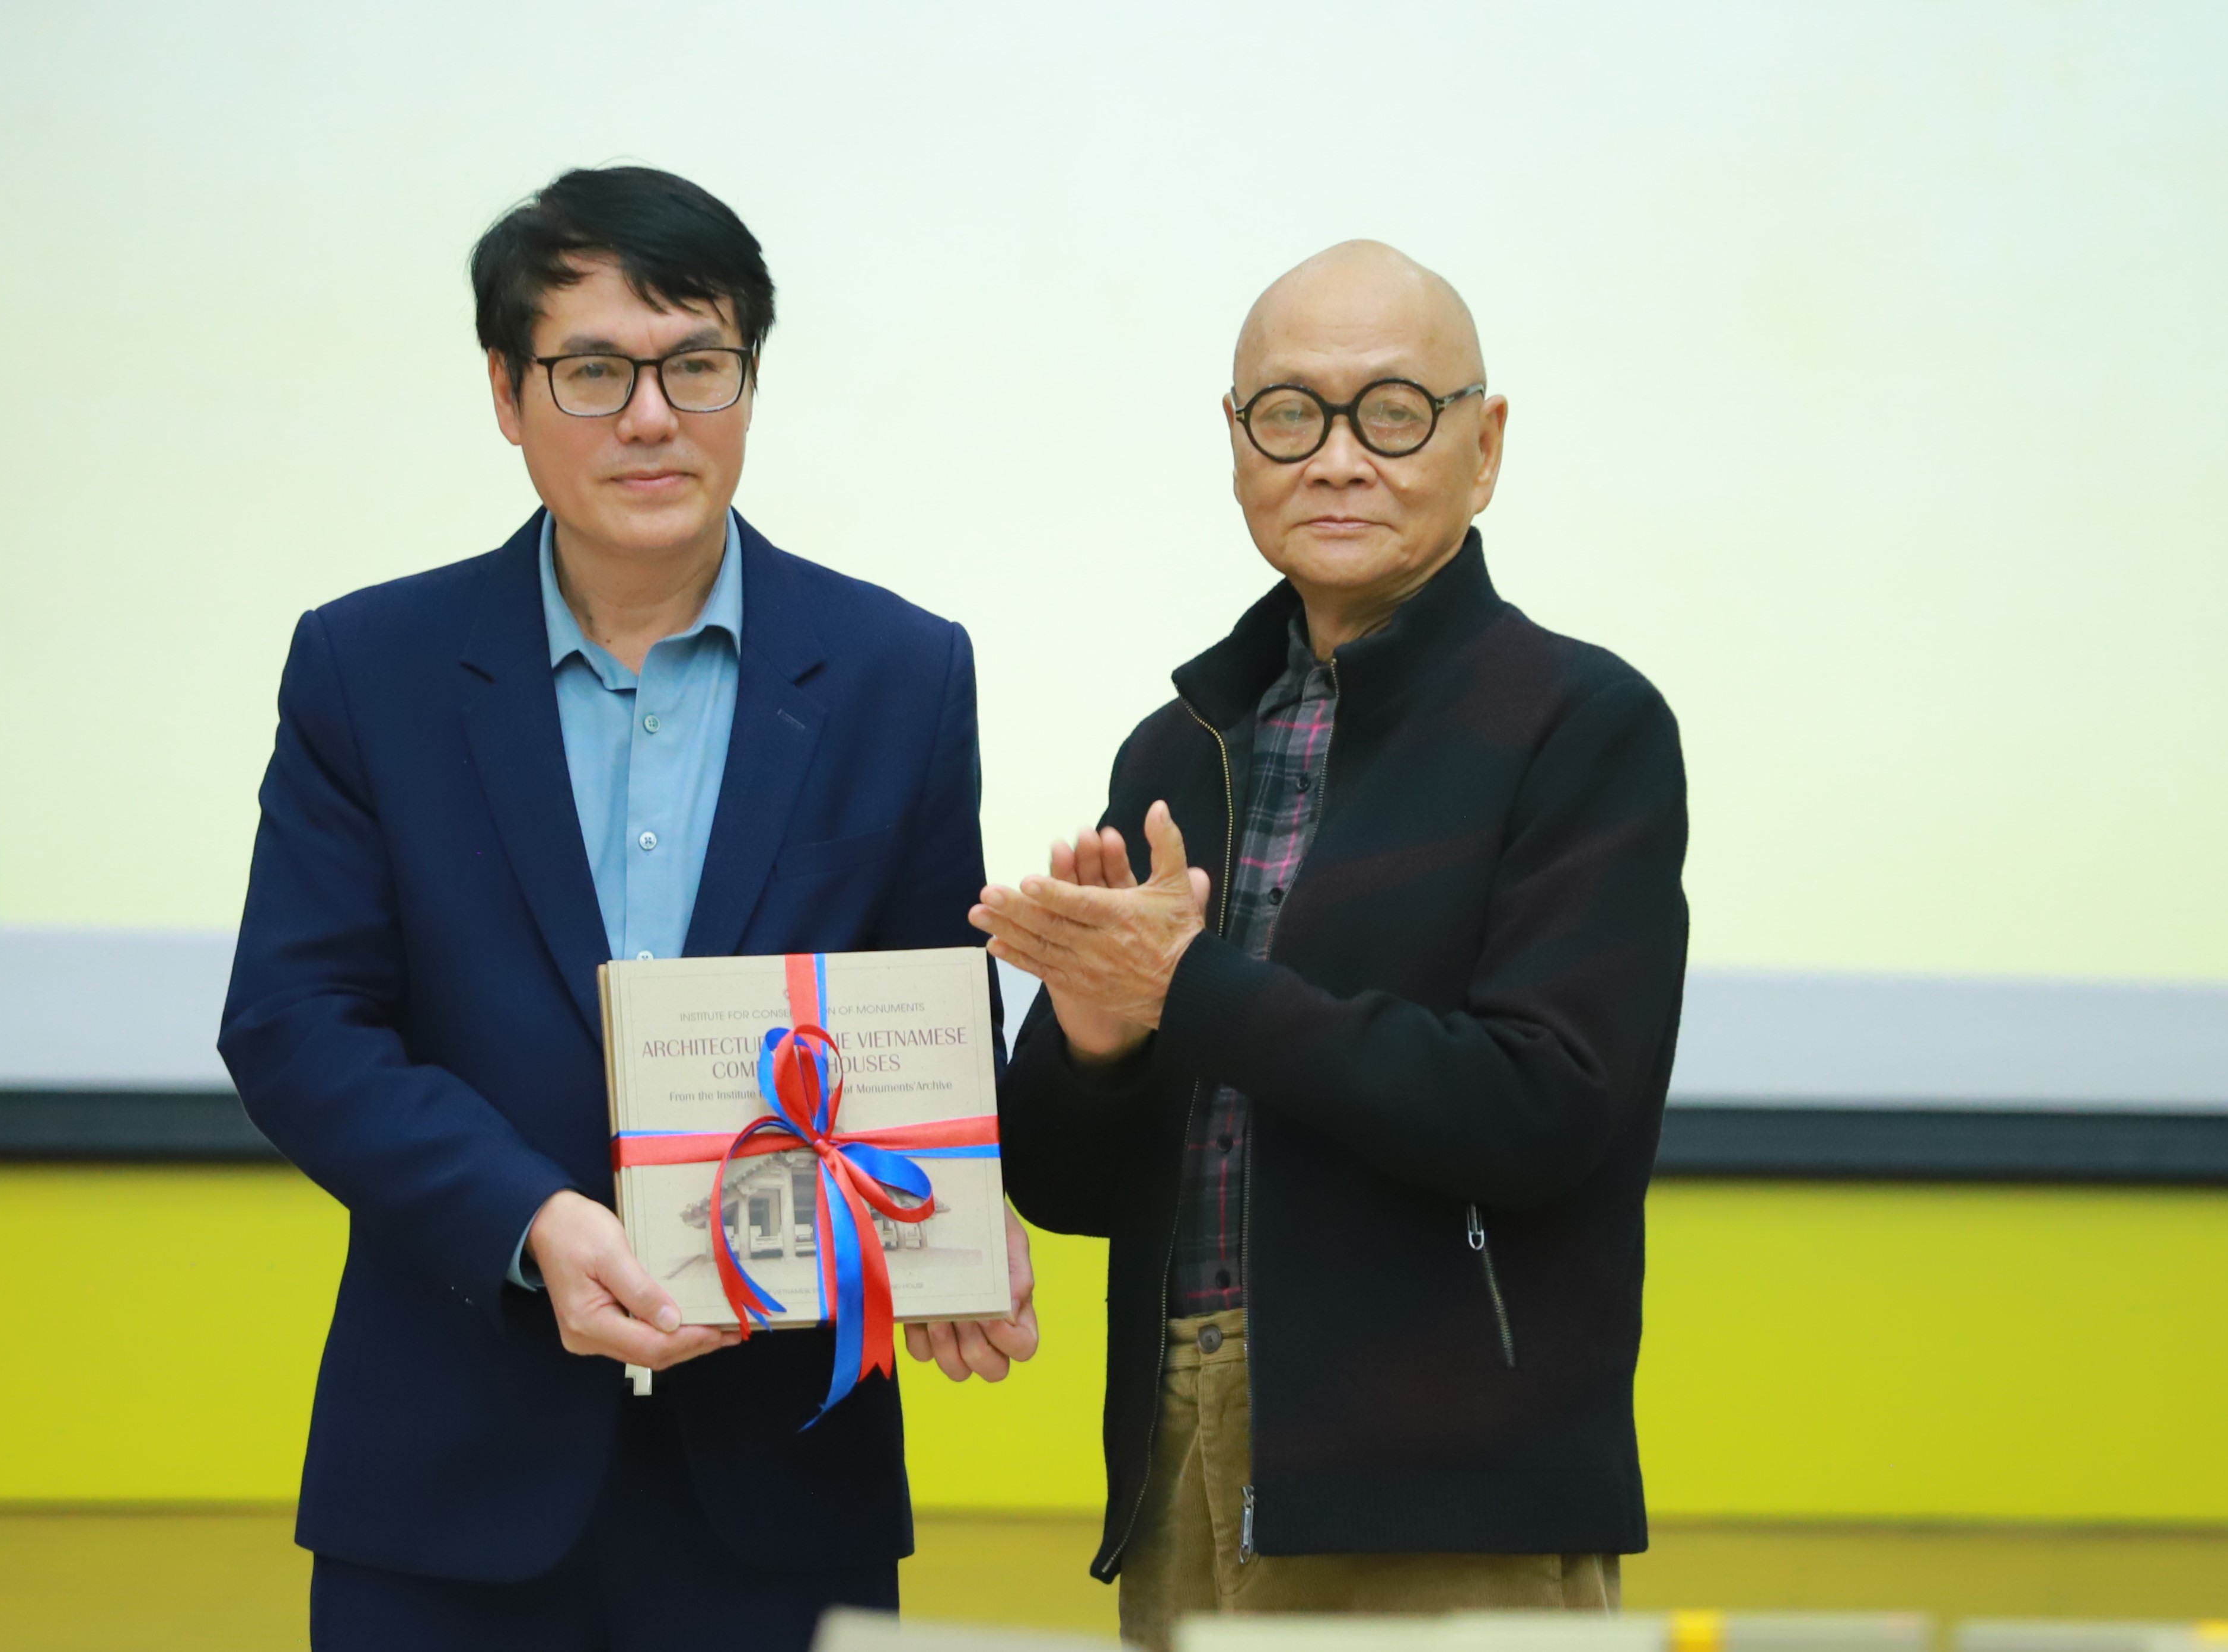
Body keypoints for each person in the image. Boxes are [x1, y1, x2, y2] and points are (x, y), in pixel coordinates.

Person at [219, 165, 1036, 1652]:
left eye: (697, 365)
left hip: (781, 1475)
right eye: (594, 371)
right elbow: (296, 1021)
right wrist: (528, 1217)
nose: (652, 417)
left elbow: (930, 1024)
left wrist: (954, 1226)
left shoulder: (899, 672)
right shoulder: (370, 666)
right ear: (506, 391)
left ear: (749, 381)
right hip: (451, 1471)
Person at [978, 241, 1688, 1648]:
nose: (1339, 458)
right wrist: (1097, 1042)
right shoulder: (1178, 746)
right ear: (1239, 444)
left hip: (1448, 1489)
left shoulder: (1581, 722)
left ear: (1485, 447)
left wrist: (1190, 987)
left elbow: (1545, 1108)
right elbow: (1065, 1187)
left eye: (1395, 412)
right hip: (1182, 1461)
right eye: (1292, 414)